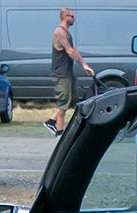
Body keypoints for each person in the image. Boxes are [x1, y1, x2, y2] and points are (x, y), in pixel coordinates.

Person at [46, 6, 93, 135]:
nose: (74, 18)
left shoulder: (66, 33)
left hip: (67, 73)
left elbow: (73, 51)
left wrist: (84, 64)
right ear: (65, 17)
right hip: (61, 75)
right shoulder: (59, 32)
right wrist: (84, 65)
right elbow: (70, 51)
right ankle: (60, 133)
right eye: (71, 16)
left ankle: (51, 121)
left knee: (71, 101)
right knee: (63, 105)